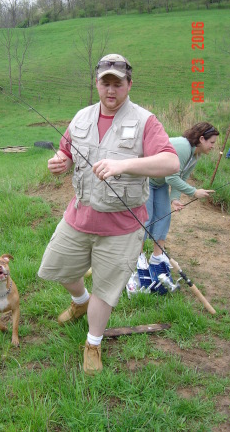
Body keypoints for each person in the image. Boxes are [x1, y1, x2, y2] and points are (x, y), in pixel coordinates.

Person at [37, 53, 179, 375]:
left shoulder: (145, 121)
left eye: (118, 83)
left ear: (129, 84)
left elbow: (171, 162)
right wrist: (61, 161)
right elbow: (67, 150)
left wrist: (123, 164)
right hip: (79, 216)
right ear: (97, 83)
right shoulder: (81, 117)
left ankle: (93, 343)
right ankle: (79, 301)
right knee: (58, 267)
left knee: (107, 288)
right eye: (105, 83)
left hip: (122, 225)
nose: (111, 90)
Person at [141, 122, 219, 268]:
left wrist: (175, 199)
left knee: (164, 216)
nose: (213, 146)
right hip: (145, 179)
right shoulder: (183, 147)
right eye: (212, 142)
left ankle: (157, 256)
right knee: (147, 218)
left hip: (159, 183)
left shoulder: (195, 155)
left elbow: (181, 177)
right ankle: (138, 257)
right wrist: (194, 192)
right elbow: (171, 178)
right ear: (202, 139)